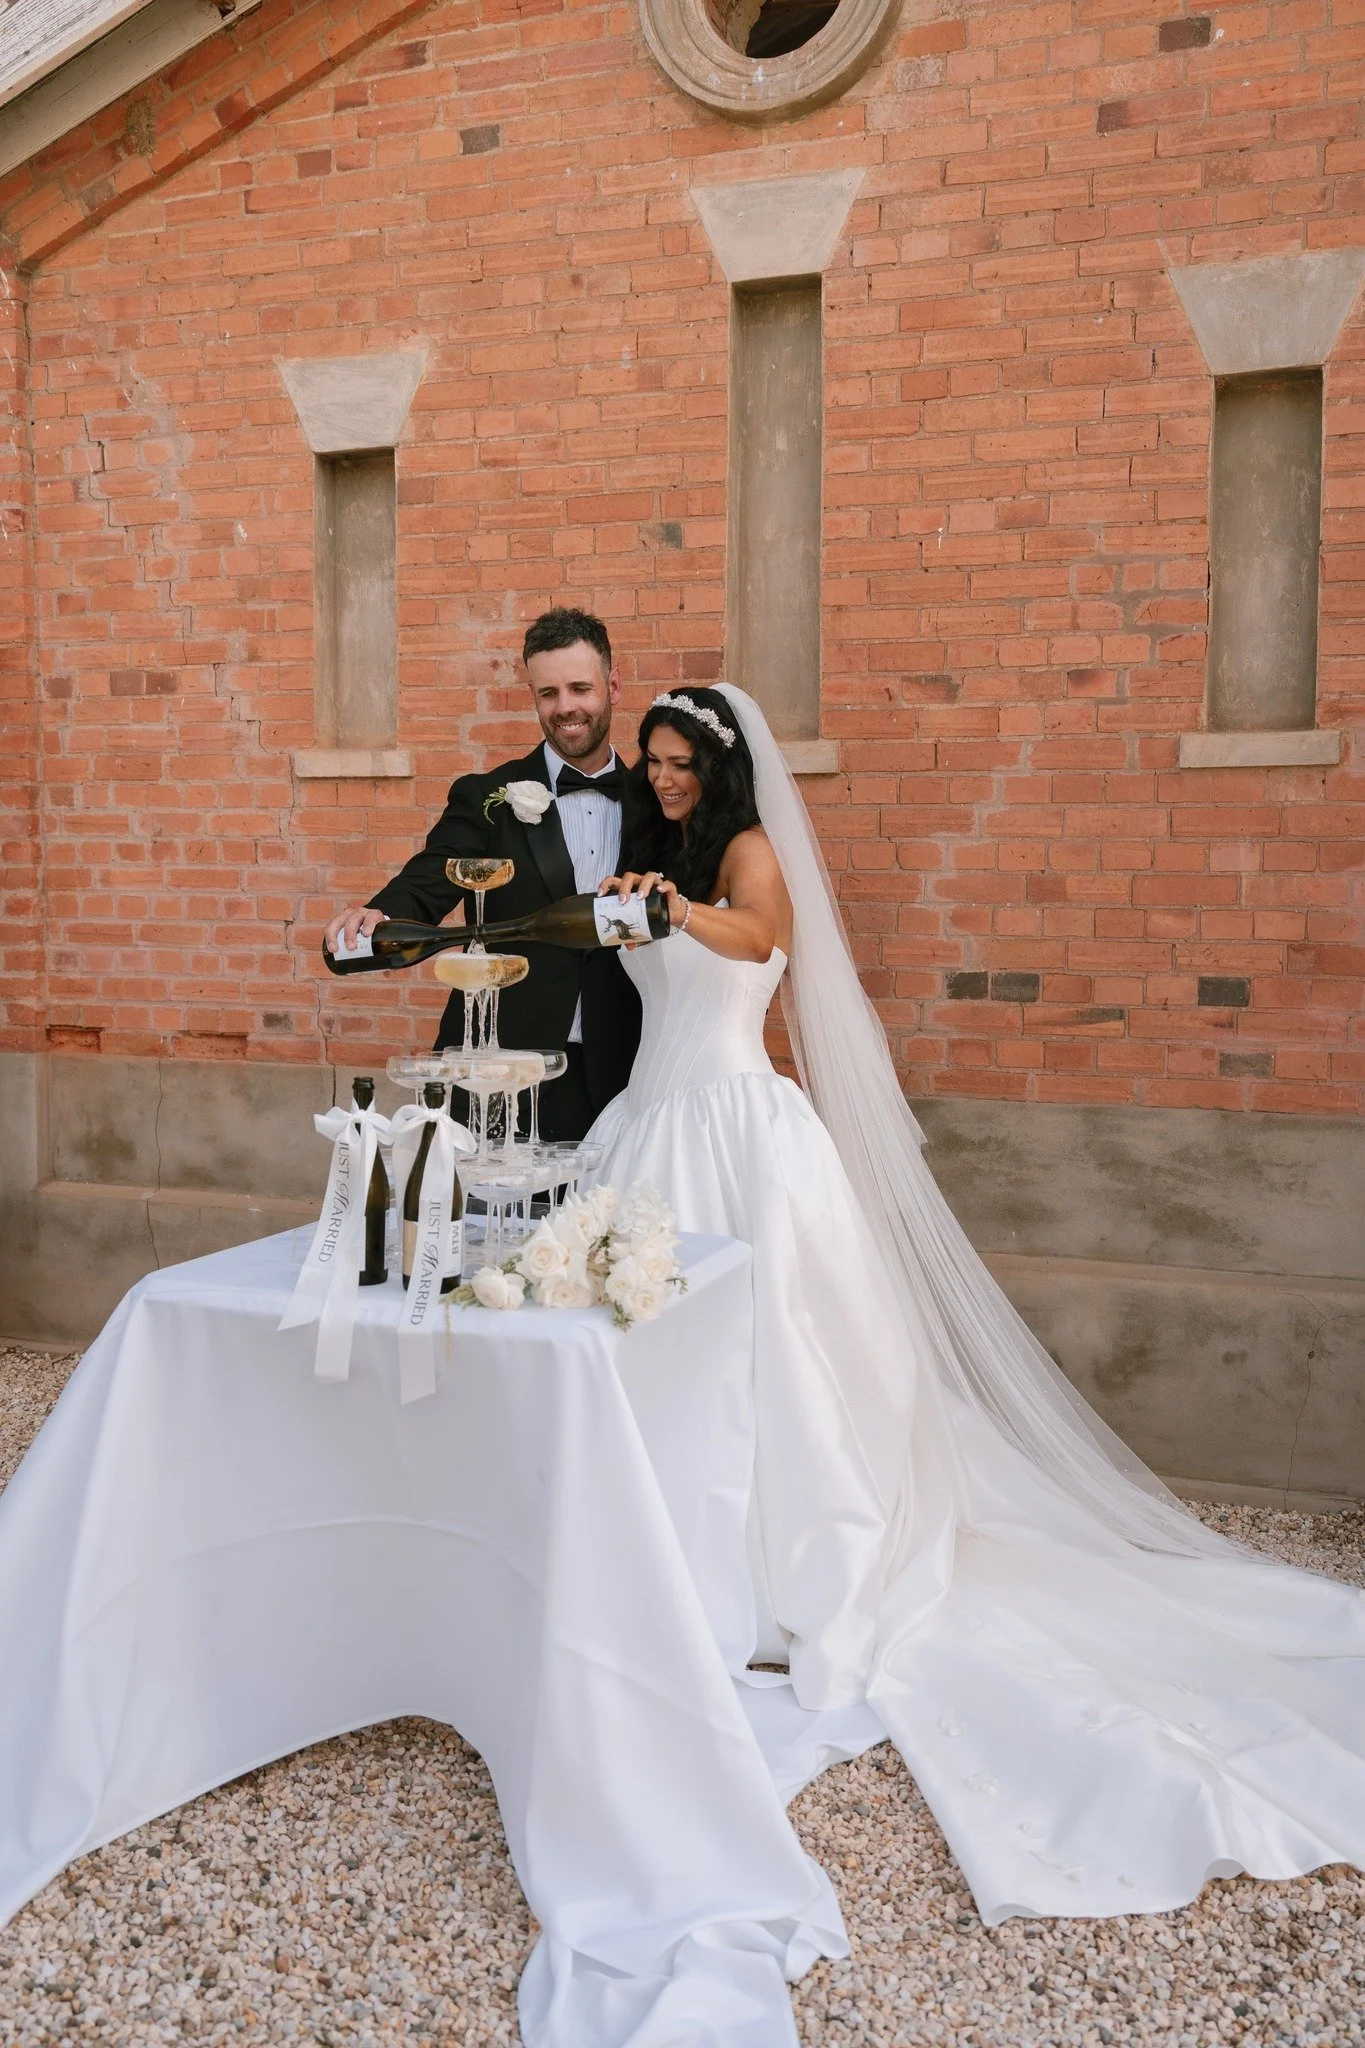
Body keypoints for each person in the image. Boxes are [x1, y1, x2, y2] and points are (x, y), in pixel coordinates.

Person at [585, 683, 1365, 1926]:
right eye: (654, 760)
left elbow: (757, 944)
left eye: (682, 762)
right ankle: (658, 1562)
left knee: (782, 1359)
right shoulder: (654, 843)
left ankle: (780, 1575)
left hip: (737, 1126)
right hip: (650, 1125)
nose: (665, 776)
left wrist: (681, 907)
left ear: (722, 769)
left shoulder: (742, 854)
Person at [325, 608, 640, 1142]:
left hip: (624, 1070)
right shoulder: (489, 795)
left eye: (580, 688)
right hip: (502, 1062)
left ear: (612, 685)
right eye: (548, 693)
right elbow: (433, 873)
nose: (565, 708)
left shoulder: (655, 804)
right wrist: (382, 910)